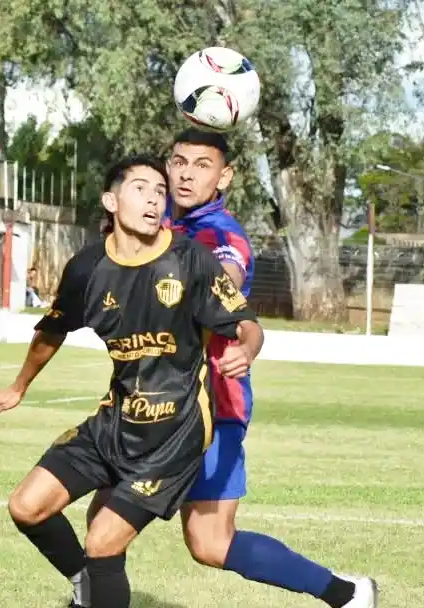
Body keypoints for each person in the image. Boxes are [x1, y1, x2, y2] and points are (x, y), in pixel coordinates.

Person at [81, 129, 378, 607]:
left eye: (203, 165)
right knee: (103, 514)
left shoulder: (221, 236)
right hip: (149, 405)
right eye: (179, 161)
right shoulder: (154, 226)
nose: (187, 173)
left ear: (225, 176)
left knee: (210, 543)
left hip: (211, 408)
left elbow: (225, 281)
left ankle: (345, 593)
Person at [0, 154, 265, 608]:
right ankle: (86, 587)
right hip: (115, 422)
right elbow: (51, 330)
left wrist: (246, 350)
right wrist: (19, 386)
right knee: (26, 507)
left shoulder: (190, 259)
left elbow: (247, 323)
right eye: (141, 190)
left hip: (174, 433)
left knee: (103, 541)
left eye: (158, 191)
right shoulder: (87, 269)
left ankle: (94, 587)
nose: (154, 199)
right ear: (112, 201)